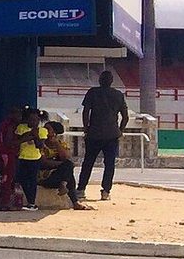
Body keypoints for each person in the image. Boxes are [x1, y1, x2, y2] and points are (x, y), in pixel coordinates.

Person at [79, 69, 130, 200]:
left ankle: (81, 189)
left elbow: (85, 112)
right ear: (112, 81)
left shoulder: (93, 92)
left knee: (88, 162)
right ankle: (105, 191)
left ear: (99, 80)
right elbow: (125, 116)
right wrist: (120, 130)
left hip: (94, 133)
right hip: (112, 134)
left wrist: (86, 128)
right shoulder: (118, 95)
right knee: (109, 164)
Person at [38, 114, 89, 210]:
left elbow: (66, 157)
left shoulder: (61, 144)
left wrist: (57, 144)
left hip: (58, 175)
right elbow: (43, 162)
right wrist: (62, 165)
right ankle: (74, 200)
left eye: (48, 130)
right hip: (45, 176)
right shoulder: (41, 145)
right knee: (68, 168)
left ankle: (64, 186)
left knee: (68, 170)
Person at [11, 106, 45, 209]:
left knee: (32, 181)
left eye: (35, 120)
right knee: (21, 178)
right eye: (31, 119)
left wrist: (36, 136)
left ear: (39, 120)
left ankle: (32, 202)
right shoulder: (21, 128)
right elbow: (16, 141)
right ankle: (27, 199)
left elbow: (40, 146)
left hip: (35, 158)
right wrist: (28, 135)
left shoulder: (42, 131)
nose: (33, 122)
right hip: (22, 157)